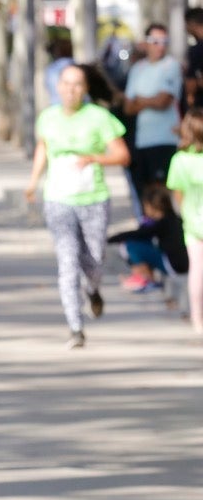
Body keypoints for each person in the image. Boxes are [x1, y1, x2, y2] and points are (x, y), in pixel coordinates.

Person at [24, 63, 130, 348]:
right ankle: (75, 326)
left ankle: (92, 290)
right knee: (68, 260)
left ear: (85, 89)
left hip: (93, 199)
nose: (71, 90)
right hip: (58, 200)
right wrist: (33, 182)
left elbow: (122, 155)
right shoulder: (47, 117)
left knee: (94, 259)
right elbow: (43, 148)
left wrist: (94, 159)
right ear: (57, 86)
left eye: (77, 84)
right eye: (66, 83)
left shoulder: (99, 117)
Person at [123, 24, 182, 215]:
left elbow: (163, 101)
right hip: (143, 141)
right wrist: (151, 100)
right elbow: (128, 107)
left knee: (164, 192)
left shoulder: (171, 66)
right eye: (156, 41)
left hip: (166, 139)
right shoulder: (137, 69)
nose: (160, 46)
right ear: (146, 43)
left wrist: (141, 99)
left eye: (165, 42)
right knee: (146, 193)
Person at [108, 183, 186, 301]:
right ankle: (144, 276)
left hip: (172, 265)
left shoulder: (160, 223)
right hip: (183, 264)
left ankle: (145, 278)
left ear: (151, 206)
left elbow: (138, 234)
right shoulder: (176, 219)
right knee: (145, 242)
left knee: (129, 245)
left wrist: (111, 238)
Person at [164, 108, 203, 335]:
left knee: (197, 270)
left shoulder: (179, 160)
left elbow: (176, 193)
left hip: (192, 221)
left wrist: (183, 212)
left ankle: (198, 319)